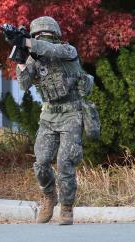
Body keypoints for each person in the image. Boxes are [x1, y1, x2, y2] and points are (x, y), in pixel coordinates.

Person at [9, 16, 92, 225]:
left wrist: (27, 42)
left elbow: (50, 50)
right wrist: (21, 60)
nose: (41, 40)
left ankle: (66, 207)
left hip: (72, 112)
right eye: (37, 36)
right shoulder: (35, 59)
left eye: (44, 37)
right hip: (48, 116)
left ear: (54, 36)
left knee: (66, 162)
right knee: (41, 162)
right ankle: (49, 196)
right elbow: (24, 85)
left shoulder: (67, 51)